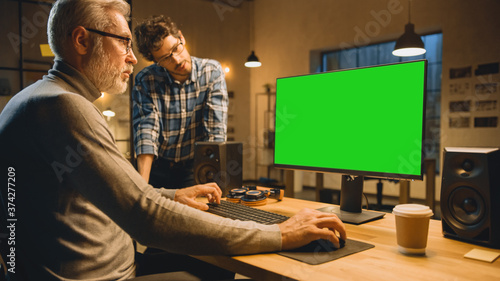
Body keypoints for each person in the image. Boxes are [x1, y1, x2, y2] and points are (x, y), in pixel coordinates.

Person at [0, 0, 346, 280]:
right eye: (123, 43)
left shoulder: (31, 99)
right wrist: (282, 233)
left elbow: (104, 192)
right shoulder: (63, 107)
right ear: (81, 40)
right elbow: (144, 215)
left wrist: (173, 195)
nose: (132, 59)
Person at [132, 15, 228, 189]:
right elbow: (147, 130)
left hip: (193, 167)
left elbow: (215, 132)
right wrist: (141, 187)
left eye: (176, 48)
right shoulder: (147, 80)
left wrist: (215, 183)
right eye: (165, 58)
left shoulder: (211, 72)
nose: (176, 60)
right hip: (157, 167)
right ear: (156, 62)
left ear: (181, 37)